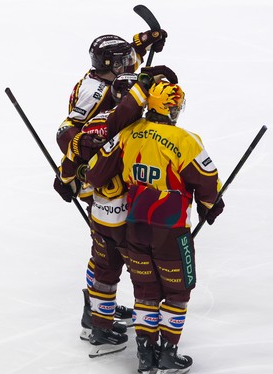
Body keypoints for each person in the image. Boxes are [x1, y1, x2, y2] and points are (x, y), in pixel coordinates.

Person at [86, 82, 225, 374]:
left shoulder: (128, 133)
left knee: (145, 291)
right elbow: (208, 181)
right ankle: (167, 355)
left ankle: (145, 354)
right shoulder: (185, 140)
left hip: (134, 227)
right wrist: (210, 205)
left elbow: (96, 171)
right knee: (177, 292)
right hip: (171, 232)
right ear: (172, 109)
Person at [52, 31, 170, 342]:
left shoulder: (111, 75)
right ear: (112, 65)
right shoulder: (93, 92)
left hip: (109, 166)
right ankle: (94, 310)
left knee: (106, 251)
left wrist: (144, 41)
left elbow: (127, 69)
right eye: (126, 60)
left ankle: (101, 304)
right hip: (98, 175)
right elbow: (66, 132)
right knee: (108, 251)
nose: (132, 63)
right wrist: (77, 159)